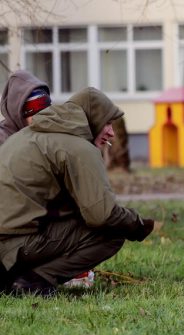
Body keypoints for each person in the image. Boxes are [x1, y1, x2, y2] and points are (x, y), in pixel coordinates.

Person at [0, 87, 155, 297]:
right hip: (14, 245)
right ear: (93, 119)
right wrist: (136, 224)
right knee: (113, 232)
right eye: (107, 122)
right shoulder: (79, 147)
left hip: (8, 243)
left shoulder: (27, 136)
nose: (111, 131)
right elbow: (103, 215)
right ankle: (34, 280)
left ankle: (13, 278)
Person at [0, 70, 52, 146]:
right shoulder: (3, 140)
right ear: (18, 111)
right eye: (33, 108)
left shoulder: (50, 137)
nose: (41, 116)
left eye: (45, 109)